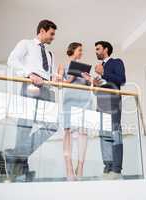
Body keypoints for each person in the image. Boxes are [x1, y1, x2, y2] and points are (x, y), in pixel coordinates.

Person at [6, 19, 57, 182]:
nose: (53, 37)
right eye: (51, 34)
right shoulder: (26, 43)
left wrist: (57, 77)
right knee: (25, 127)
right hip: (30, 86)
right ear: (42, 31)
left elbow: (50, 74)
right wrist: (29, 74)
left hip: (47, 89)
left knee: (52, 125)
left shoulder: (50, 54)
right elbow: (12, 60)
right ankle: (21, 168)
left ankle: (14, 154)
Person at [82, 41, 126, 180]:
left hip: (113, 103)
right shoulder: (100, 68)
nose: (96, 51)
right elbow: (99, 90)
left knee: (114, 133)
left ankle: (116, 169)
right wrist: (93, 83)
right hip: (101, 103)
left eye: (98, 49)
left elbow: (121, 80)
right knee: (103, 135)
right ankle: (108, 167)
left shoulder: (116, 62)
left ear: (106, 49)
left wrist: (103, 72)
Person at [56, 42, 92, 181]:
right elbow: (59, 85)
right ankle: (69, 168)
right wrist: (69, 79)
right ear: (72, 51)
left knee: (83, 133)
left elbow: (90, 86)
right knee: (68, 134)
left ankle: (81, 167)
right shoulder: (62, 66)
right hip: (70, 102)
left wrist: (89, 80)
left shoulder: (84, 69)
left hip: (84, 101)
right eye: (79, 50)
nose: (81, 53)